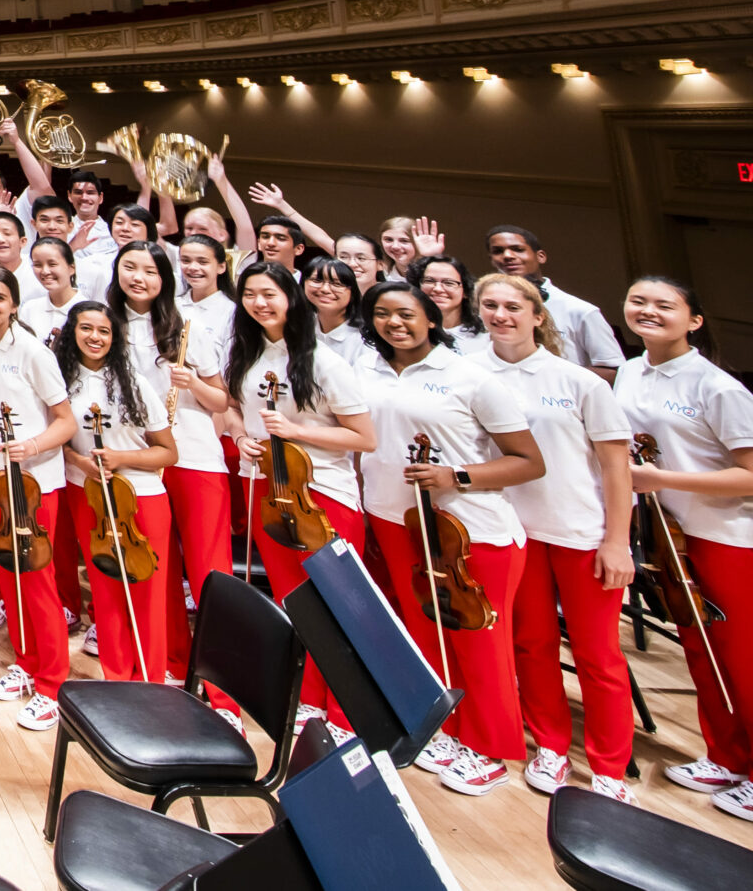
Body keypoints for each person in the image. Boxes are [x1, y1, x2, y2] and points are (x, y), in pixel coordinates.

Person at [354, 276, 542, 795]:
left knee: (480, 644)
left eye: (406, 314)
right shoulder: (366, 370)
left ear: (432, 319)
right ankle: (450, 729)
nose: (394, 323)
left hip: (467, 527)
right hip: (395, 518)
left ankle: (492, 749)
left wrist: (456, 475)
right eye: (382, 314)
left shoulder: (470, 377)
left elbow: (528, 462)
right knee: (426, 633)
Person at [475, 273, 635, 800]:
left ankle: (610, 769)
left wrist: (617, 541)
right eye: (490, 305)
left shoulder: (580, 381)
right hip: (513, 530)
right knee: (532, 645)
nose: (501, 315)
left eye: (513, 307)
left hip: (581, 532)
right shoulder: (471, 373)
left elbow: (616, 468)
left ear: (538, 316)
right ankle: (551, 747)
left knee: (598, 655)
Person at [617, 274, 753, 818]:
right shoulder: (630, 370)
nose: (648, 310)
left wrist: (661, 480)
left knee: (742, 659)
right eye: (638, 301)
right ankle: (727, 756)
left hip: (727, 536)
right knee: (701, 650)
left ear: (693, 321)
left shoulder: (717, 387)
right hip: (668, 533)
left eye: (664, 305)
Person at [227, 261, 374, 735]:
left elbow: (364, 438)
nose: (259, 303)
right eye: (250, 294)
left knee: (337, 606)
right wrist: (241, 437)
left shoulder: (323, 361)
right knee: (294, 600)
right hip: (268, 488)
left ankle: (347, 712)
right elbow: (234, 409)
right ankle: (309, 698)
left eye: (269, 293)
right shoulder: (248, 352)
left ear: (291, 297)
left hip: (321, 492)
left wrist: (295, 431)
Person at [104, 242, 232, 693]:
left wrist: (193, 381)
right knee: (156, 572)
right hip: (139, 461)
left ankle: (222, 692)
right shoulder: (106, 324)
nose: (138, 278)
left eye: (150, 271)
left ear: (165, 278)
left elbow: (221, 401)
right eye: (129, 268)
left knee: (209, 573)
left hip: (193, 456)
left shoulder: (186, 325)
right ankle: (172, 664)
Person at [0, 264, 75, 732]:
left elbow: (66, 421)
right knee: (8, 574)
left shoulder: (33, 351)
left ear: (14, 304)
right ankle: (26, 662)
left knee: (38, 580)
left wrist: (31, 446)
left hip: (32, 481)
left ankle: (53, 685)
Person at [58, 301, 175, 685]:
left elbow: (168, 452)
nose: (95, 337)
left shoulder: (133, 381)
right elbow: (59, 441)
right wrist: (80, 461)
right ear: (72, 332)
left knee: (147, 596)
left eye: (104, 331)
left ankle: (151, 685)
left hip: (140, 496)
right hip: (86, 493)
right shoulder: (61, 380)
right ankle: (117, 682)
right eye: (86, 328)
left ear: (115, 337)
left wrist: (120, 458)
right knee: (105, 593)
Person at [486, 227, 624, 379]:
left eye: (518, 249)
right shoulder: (485, 313)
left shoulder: (578, 310)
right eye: (498, 251)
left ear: (540, 256)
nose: (507, 256)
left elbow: (613, 371)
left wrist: (553, 376)